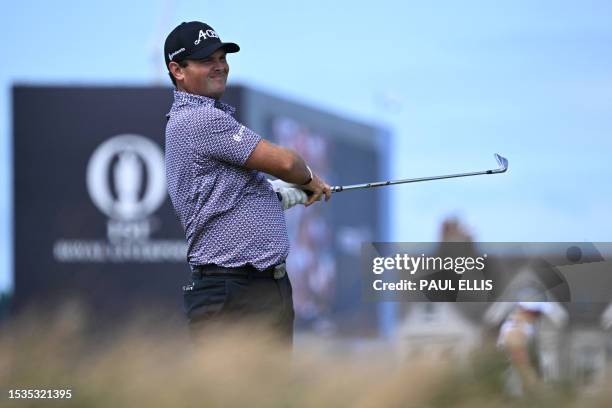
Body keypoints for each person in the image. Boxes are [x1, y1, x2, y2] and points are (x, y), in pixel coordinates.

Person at [163, 21, 332, 346]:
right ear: (177, 70)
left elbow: (230, 198)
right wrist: (310, 181)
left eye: (222, 57)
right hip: (232, 291)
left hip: (260, 287)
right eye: (206, 60)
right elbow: (286, 163)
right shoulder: (198, 119)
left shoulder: (204, 119)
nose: (220, 66)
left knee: (270, 396)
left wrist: (282, 196)